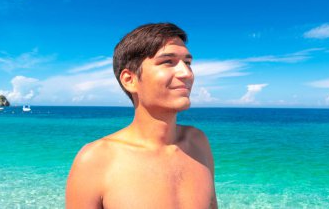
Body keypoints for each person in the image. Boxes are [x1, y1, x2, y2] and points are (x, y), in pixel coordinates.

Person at [66, 23, 218, 209]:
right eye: (168, 62)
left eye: (187, 63)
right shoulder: (96, 160)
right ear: (130, 80)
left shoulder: (198, 142)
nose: (187, 73)